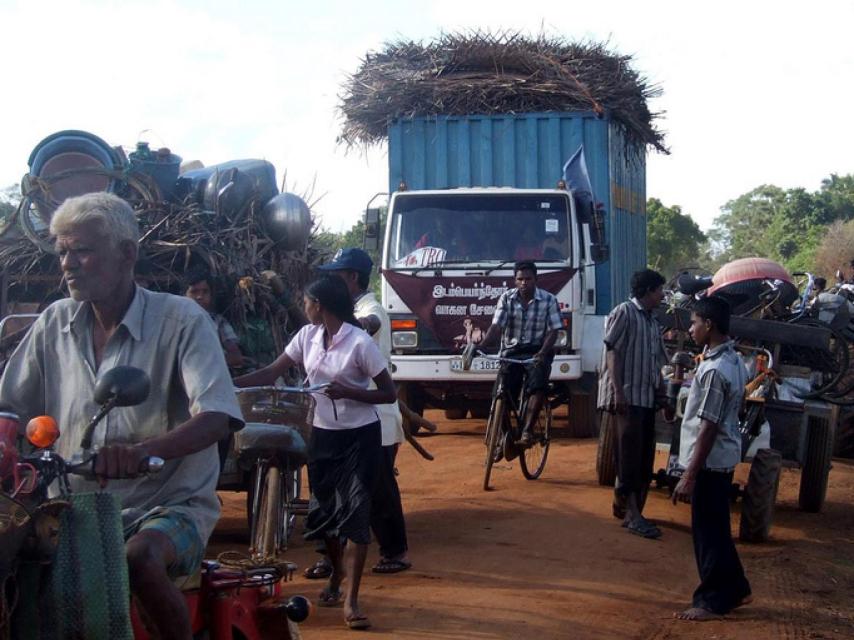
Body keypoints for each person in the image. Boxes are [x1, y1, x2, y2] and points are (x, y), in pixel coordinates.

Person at [0, 192, 244, 640]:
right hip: (70, 508)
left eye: (82, 250)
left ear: (127, 253)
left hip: (167, 505)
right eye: (62, 252)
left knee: (139, 558)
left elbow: (216, 416)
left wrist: (139, 452)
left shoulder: (181, 320)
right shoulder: (54, 323)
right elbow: (9, 408)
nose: (68, 264)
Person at [234, 274, 397, 630]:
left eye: (306, 302)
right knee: (323, 515)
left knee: (356, 513)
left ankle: (351, 600)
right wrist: (227, 385)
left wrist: (349, 392)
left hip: (360, 438)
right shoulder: (307, 336)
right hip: (322, 436)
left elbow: (389, 394)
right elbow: (272, 372)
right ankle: (337, 571)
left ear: (319, 306)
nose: (303, 307)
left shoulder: (359, 343)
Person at [317, 247, 414, 574]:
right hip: (343, 418)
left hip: (377, 418)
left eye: (335, 276)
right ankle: (332, 558)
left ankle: (396, 552)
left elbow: (367, 324)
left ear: (352, 277)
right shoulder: (339, 314)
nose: (330, 282)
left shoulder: (372, 310)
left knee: (379, 490)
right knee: (336, 489)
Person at [672, 296, 752, 621]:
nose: (691, 329)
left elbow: (709, 426)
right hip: (722, 458)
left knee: (708, 533)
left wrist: (689, 474)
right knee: (716, 527)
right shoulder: (733, 360)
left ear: (709, 324)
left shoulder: (717, 370)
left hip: (710, 461)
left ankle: (712, 600)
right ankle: (737, 588)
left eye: (694, 323)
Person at [597, 268, 668, 539]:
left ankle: (629, 508)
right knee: (628, 457)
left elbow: (655, 361)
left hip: (646, 398)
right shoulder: (624, 312)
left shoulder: (652, 321)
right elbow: (612, 352)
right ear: (648, 291)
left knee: (643, 457)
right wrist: (618, 392)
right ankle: (632, 515)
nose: (662, 295)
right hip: (627, 398)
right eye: (659, 290)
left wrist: (661, 392)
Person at [479, 261, 562, 447]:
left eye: (528, 279)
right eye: (520, 279)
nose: (524, 283)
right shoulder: (506, 298)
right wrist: (482, 346)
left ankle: (527, 431)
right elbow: (496, 326)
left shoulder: (549, 300)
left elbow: (554, 330)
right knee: (501, 392)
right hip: (512, 351)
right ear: (515, 280)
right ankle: (505, 436)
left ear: (536, 279)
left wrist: (542, 352)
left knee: (537, 386)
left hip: (537, 351)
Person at [184, 269, 245, 370]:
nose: (200, 297)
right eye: (194, 292)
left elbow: (236, 357)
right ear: (183, 295)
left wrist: (205, 364)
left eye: (205, 292)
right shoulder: (175, 323)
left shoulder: (218, 322)